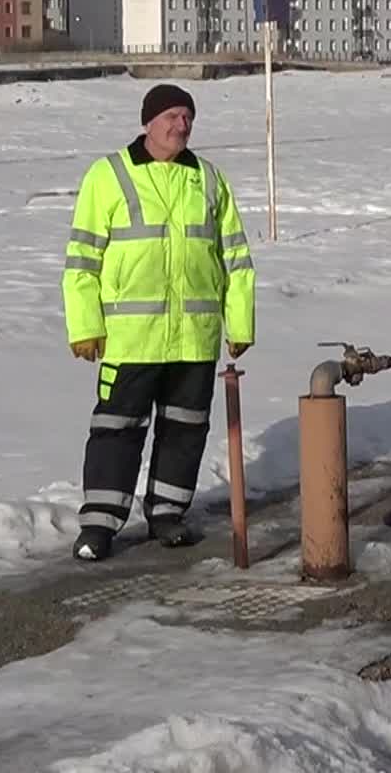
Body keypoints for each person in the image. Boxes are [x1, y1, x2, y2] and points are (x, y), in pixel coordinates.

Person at [61, 83, 256, 561]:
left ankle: (167, 513)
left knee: (185, 430)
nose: (181, 125)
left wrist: (240, 324)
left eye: (187, 117)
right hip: (131, 340)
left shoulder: (209, 180)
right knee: (116, 430)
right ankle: (100, 526)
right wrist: (84, 325)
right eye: (172, 116)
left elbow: (235, 258)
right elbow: (82, 259)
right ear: (148, 121)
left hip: (194, 339)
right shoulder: (108, 176)